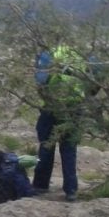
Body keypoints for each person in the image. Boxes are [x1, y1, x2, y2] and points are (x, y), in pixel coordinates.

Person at [32, 45, 87, 202]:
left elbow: (40, 81)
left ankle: (40, 185)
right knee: (69, 149)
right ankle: (71, 190)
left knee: (46, 146)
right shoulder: (78, 56)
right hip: (75, 109)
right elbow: (91, 86)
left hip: (52, 107)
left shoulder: (48, 55)